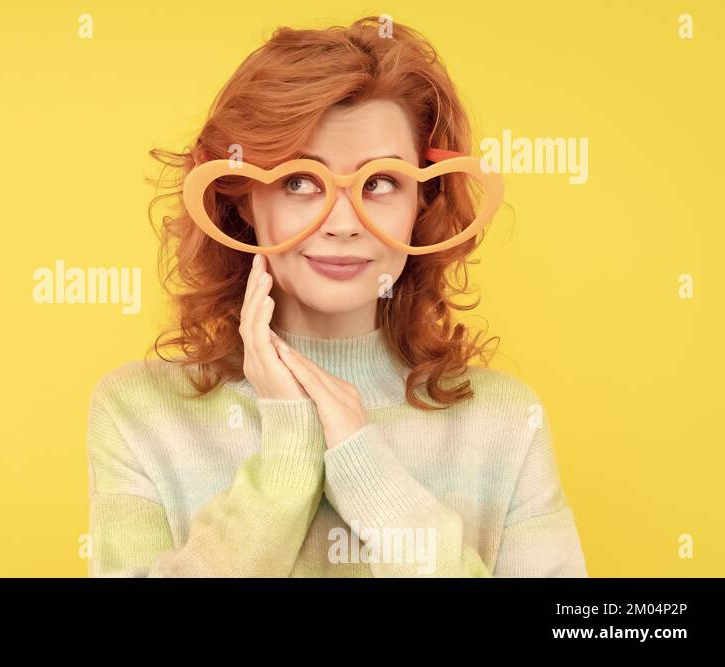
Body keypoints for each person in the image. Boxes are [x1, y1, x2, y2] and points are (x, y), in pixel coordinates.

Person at [85, 17, 588, 577]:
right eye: (300, 182)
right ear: (243, 200)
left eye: (380, 182)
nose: (344, 223)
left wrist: (366, 468)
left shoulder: (506, 423)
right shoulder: (138, 411)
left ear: (422, 202)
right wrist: (286, 463)